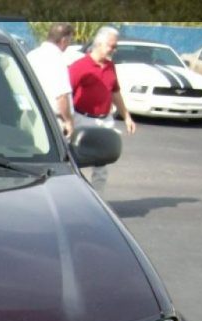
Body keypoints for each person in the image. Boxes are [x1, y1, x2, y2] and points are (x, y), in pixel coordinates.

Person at [68, 26, 136, 195]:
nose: (114, 50)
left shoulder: (110, 66)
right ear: (99, 44)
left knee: (102, 165)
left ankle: (98, 200)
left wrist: (127, 117)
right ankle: (75, 197)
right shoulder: (79, 66)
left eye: (115, 46)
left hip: (105, 120)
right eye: (111, 46)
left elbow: (115, 92)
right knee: (75, 160)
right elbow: (67, 93)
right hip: (82, 118)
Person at [26, 23, 75, 137]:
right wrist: (68, 120)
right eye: (69, 40)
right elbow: (62, 96)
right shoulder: (57, 59)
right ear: (64, 40)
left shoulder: (31, 55)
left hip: (31, 115)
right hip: (52, 120)